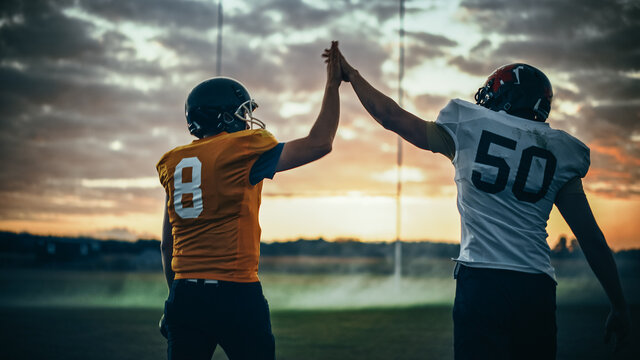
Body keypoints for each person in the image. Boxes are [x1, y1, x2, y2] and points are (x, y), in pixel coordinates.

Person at [330, 45, 631, 359]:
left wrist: (352, 76)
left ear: (506, 97)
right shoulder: (562, 149)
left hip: (483, 281)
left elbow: (389, 116)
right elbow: (592, 239)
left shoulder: (468, 124)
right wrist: (619, 306)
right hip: (536, 285)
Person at [156, 41, 342, 360]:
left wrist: (176, 299)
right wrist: (332, 84)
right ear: (226, 118)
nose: (247, 121)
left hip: (185, 294)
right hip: (236, 292)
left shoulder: (173, 162)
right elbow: (319, 143)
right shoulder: (242, 150)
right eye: (242, 113)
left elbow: (166, 244)